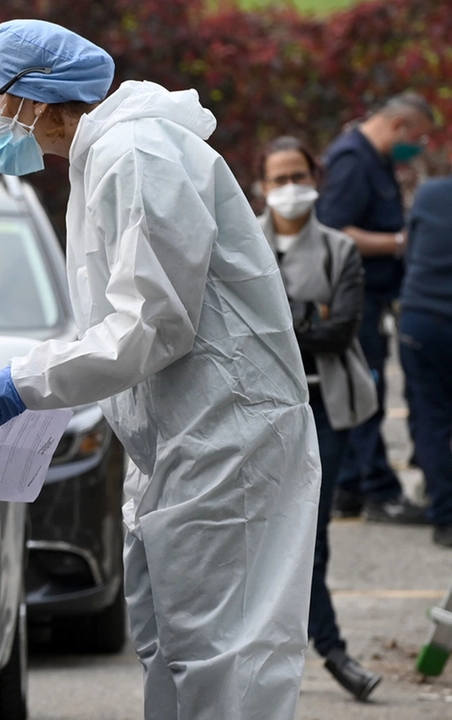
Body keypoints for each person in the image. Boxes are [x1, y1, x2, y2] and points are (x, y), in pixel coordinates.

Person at [0, 19, 320, 719]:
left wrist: (29, 382)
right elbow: (117, 319)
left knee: (225, 661)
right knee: (176, 649)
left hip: (225, 439)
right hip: (181, 439)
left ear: (39, 99)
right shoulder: (103, 158)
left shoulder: (137, 153)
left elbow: (152, 322)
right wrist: (39, 378)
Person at [257, 136, 383, 699]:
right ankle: (319, 650)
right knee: (261, 535)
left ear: (316, 179)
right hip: (257, 412)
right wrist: (309, 316)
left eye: (297, 176)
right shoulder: (242, 242)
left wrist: (286, 323)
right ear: (260, 186)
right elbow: (240, 333)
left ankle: (329, 650)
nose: (288, 189)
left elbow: (340, 332)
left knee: (310, 536)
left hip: (325, 411)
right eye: (277, 178)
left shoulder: (338, 250)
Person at [316, 92, 435, 523]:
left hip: (375, 292)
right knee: (366, 394)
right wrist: (401, 242)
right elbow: (335, 229)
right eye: (416, 137)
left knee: (364, 389)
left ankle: (348, 487)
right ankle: (376, 491)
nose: (417, 148)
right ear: (399, 125)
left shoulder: (376, 158)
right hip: (355, 295)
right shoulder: (352, 159)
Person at [398, 166, 452, 547]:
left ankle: (444, 517)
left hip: (421, 318)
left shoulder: (431, 194)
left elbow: (409, 253)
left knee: (431, 419)